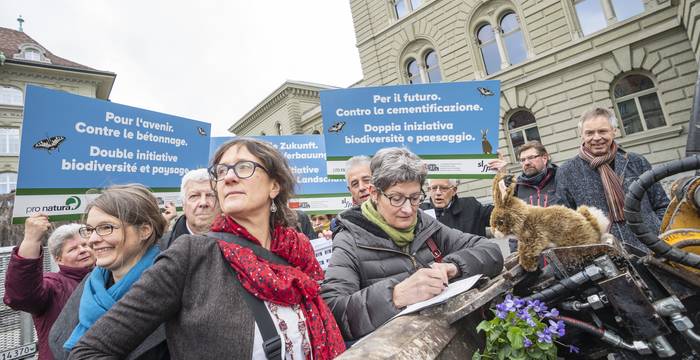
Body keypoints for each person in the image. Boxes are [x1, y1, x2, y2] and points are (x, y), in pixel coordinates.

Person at [70, 138, 345, 359]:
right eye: (222, 171)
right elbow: (89, 350)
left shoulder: (297, 253)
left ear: (275, 185)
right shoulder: (191, 255)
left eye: (244, 167)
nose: (228, 178)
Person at [321, 147, 504, 341]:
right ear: (375, 194)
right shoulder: (349, 239)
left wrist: (453, 266)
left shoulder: (425, 223)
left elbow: (490, 250)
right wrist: (395, 296)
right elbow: (332, 311)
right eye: (396, 198)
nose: (408, 210)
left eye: (415, 198)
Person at [49, 184, 169, 360]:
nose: (93, 239)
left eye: (106, 227)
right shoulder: (90, 284)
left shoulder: (171, 286)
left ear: (144, 231)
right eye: (90, 230)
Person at [556, 107, 670, 252]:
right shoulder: (567, 171)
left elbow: (661, 204)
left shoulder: (636, 161)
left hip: (652, 247)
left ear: (613, 131)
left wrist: (658, 232)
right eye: (589, 133)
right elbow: (567, 222)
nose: (596, 137)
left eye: (602, 131)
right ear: (582, 136)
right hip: (608, 255)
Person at [3, 215, 94, 360]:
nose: (83, 250)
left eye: (85, 245)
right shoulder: (54, 284)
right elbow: (22, 295)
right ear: (58, 259)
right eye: (73, 249)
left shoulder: (107, 276)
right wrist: (31, 240)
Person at [161, 168, 221, 249]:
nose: (203, 203)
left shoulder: (238, 244)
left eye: (210, 195)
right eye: (194, 196)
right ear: (183, 205)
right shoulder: (160, 248)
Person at [419, 179, 493, 236]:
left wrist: (503, 177)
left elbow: (500, 215)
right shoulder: (420, 212)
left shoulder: (471, 207)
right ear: (429, 190)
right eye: (434, 188)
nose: (438, 193)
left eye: (443, 188)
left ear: (454, 190)